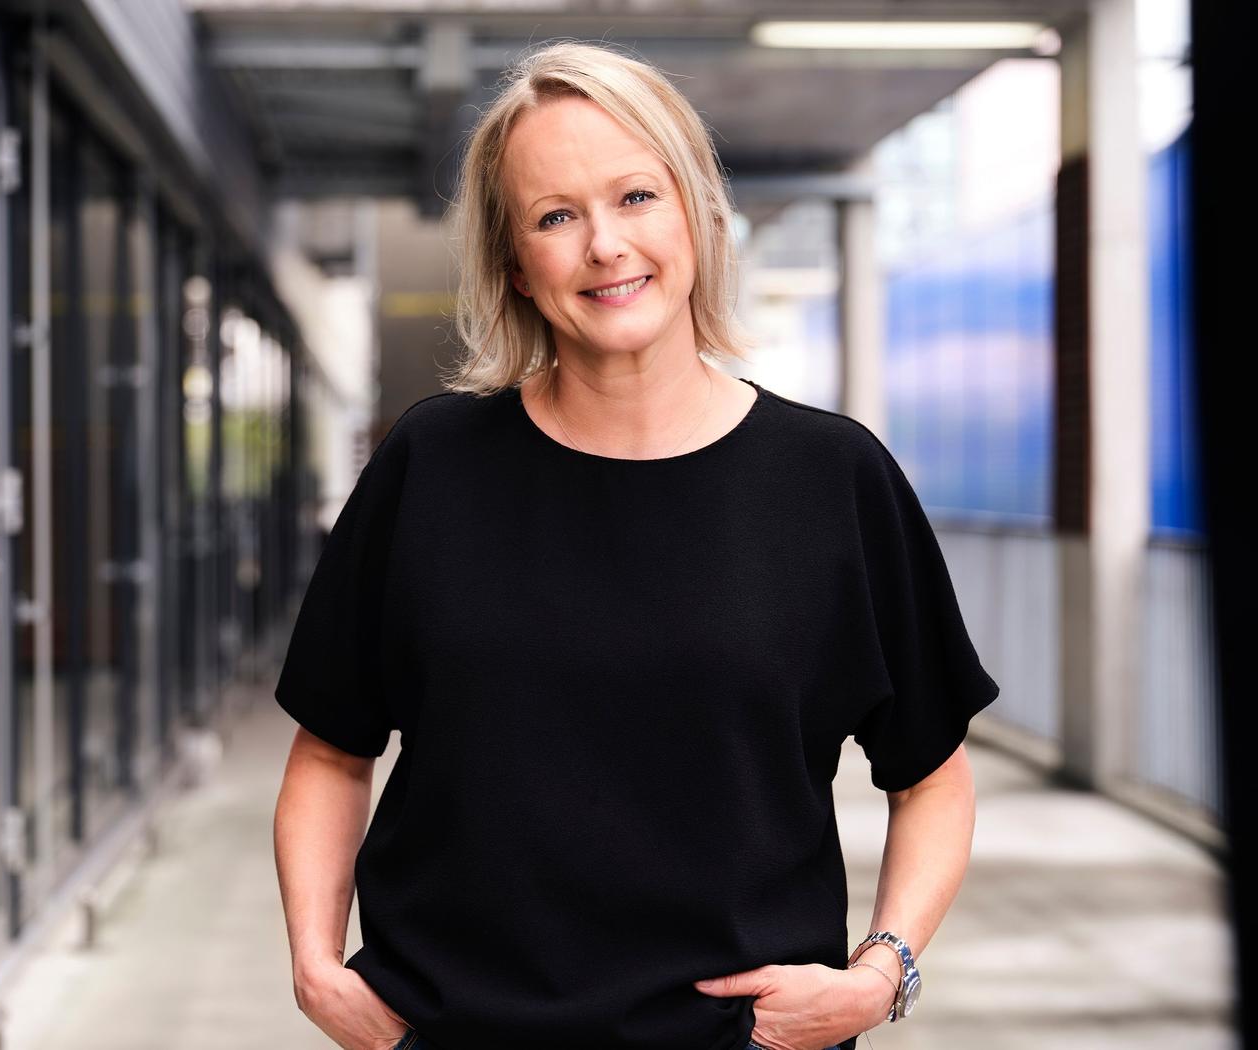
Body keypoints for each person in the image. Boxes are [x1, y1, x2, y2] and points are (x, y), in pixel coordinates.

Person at [273, 40, 1000, 1050]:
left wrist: (881, 973)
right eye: (554, 217)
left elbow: (931, 776)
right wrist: (316, 968)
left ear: (697, 215)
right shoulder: (429, 466)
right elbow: (328, 751)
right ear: (516, 266)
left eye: (634, 197)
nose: (604, 246)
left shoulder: (831, 478)